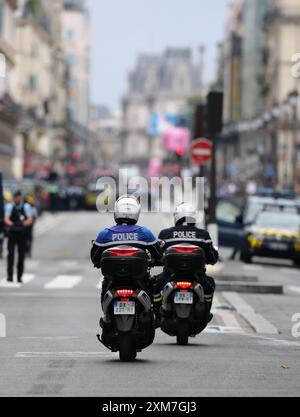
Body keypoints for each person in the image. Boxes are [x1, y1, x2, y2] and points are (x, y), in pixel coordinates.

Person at [153, 202, 219, 325]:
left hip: (169, 275)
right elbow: (212, 257)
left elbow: (157, 255)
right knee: (209, 287)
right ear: (193, 217)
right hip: (197, 276)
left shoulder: (166, 234)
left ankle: (157, 313)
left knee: (155, 288)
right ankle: (205, 314)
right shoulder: (202, 235)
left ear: (177, 217)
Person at [91, 195, 163, 305]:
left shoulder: (105, 234)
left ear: (116, 211)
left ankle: (107, 315)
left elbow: (95, 258)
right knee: (150, 285)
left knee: (105, 282)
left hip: (113, 281)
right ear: (136, 213)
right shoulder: (144, 233)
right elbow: (159, 255)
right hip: (140, 280)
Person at [4, 190, 33, 283]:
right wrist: (12, 225)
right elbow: (6, 218)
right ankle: (10, 275)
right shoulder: (9, 206)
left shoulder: (26, 206)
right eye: (15, 197)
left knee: (21, 256)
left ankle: (19, 276)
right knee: (10, 254)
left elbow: (30, 219)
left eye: (18, 197)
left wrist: (22, 224)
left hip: (22, 234)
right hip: (12, 233)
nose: (17, 199)